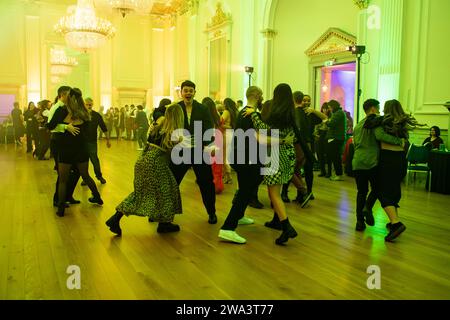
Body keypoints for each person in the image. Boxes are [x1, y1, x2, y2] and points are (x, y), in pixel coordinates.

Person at [106, 103, 185, 235]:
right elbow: (174, 154)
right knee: (168, 192)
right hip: (156, 164)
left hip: (143, 161)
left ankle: (116, 218)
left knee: (141, 193)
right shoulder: (173, 132)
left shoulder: (157, 127)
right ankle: (164, 224)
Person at [243, 84, 299, 245]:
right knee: (277, 192)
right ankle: (279, 222)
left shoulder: (278, 113)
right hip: (288, 155)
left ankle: (287, 227)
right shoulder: (290, 112)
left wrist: (253, 114)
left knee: (273, 194)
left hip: (276, 156)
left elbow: (265, 129)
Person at [365, 99, 424, 241]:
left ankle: (397, 224)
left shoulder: (384, 121)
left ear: (387, 108)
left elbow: (371, 128)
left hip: (388, 160)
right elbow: (405, 142)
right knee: (394, 191)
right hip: (401, 160)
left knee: (383, 192)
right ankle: (393, 222)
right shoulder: (402, 123)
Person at [47, 88, 103, 217]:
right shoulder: (85, 112)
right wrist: (68, 127)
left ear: (69, 97)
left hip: (66, 148)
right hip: (81, 148)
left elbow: (50, 126)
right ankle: (97, 197)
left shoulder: (62, 111)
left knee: (62, 180)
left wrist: (65, 126)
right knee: (85, 175)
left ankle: (61, 208)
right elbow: (86, 130)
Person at [169, 80, 217, 224]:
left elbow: (209, 128)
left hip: (199, 152)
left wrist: (209, 145)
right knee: (172, 182)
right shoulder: (175, 108)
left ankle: (211, 212)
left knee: (206, 183)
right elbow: (169, 126)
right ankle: (162, 212)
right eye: (186, 90)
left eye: (191, 90)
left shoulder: (202, 109)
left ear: (194, 93)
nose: (188, 93)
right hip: (180, 152)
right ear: (181, 92)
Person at [352, 99, 403, 231]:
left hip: (357, 162)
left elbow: (355, 143)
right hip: (371, 162)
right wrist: (399, 141)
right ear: (373, 109)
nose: (380, 112)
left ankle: (359, 222)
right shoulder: (375, 123)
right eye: (379, 109)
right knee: (377, 189)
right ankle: (367, 209)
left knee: (361, 192)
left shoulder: (358, 125)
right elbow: (381, 136)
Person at [48, 86, 81, 207]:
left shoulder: (69, 108)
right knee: (62, 174)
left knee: (74, 172)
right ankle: (58, 200)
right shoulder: (57, 107)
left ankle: (67, 196)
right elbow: (50, 126)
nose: (71, 97)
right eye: (69, 94)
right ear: (63, 94)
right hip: (58, 142)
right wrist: (66, 127)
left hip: (66, 143)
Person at [81, 98, 110, 185]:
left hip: (92, 142)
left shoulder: (96, 115)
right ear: (84, 105)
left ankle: (99, 176)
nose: (89, 106)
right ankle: (85, 178)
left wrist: (108, 140)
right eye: (87, 104)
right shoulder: (80, 115)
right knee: (83, 161)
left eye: (90, 104)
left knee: (94, 160)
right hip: (81, 142)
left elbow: (103, 127)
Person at [203, 97, 224, 194]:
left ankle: (211, 186)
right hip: (218, 140)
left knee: (209, 165)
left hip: (209, 141)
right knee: (217, 165)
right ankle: (218, 185)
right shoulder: (218, 117)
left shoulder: (203, 117)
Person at [326, 100, 347, 181]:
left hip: (336, 138)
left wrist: (325, 120)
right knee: (335, 157)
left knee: (336, 157)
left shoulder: (339, 113)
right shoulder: (338, 113)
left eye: (329, 107)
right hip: (337, 138)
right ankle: (337, 174)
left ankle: (339, 174)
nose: (329, 109)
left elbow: (331, 124)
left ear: (333, 106)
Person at [221, 98, 239, 184]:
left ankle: (229, 177)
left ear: (226, 104)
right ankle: (226, 175)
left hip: (226, 134)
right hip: (233, 134)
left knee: (224, 156)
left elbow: (220, 122)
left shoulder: (226, 112)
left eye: (223, 103)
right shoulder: (236, 112)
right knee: (227, 155)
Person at [314, 103, 331, 177]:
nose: (325, 110)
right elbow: (316, 126)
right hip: (319, 135)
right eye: (324, 108)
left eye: (326, 108)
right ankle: (322, 171)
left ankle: (329, 172)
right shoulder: (319, 116)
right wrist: (316, 134)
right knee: (319, 154)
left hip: (327, 135)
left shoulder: (331, 117)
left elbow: (330, 127)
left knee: (328, 155)